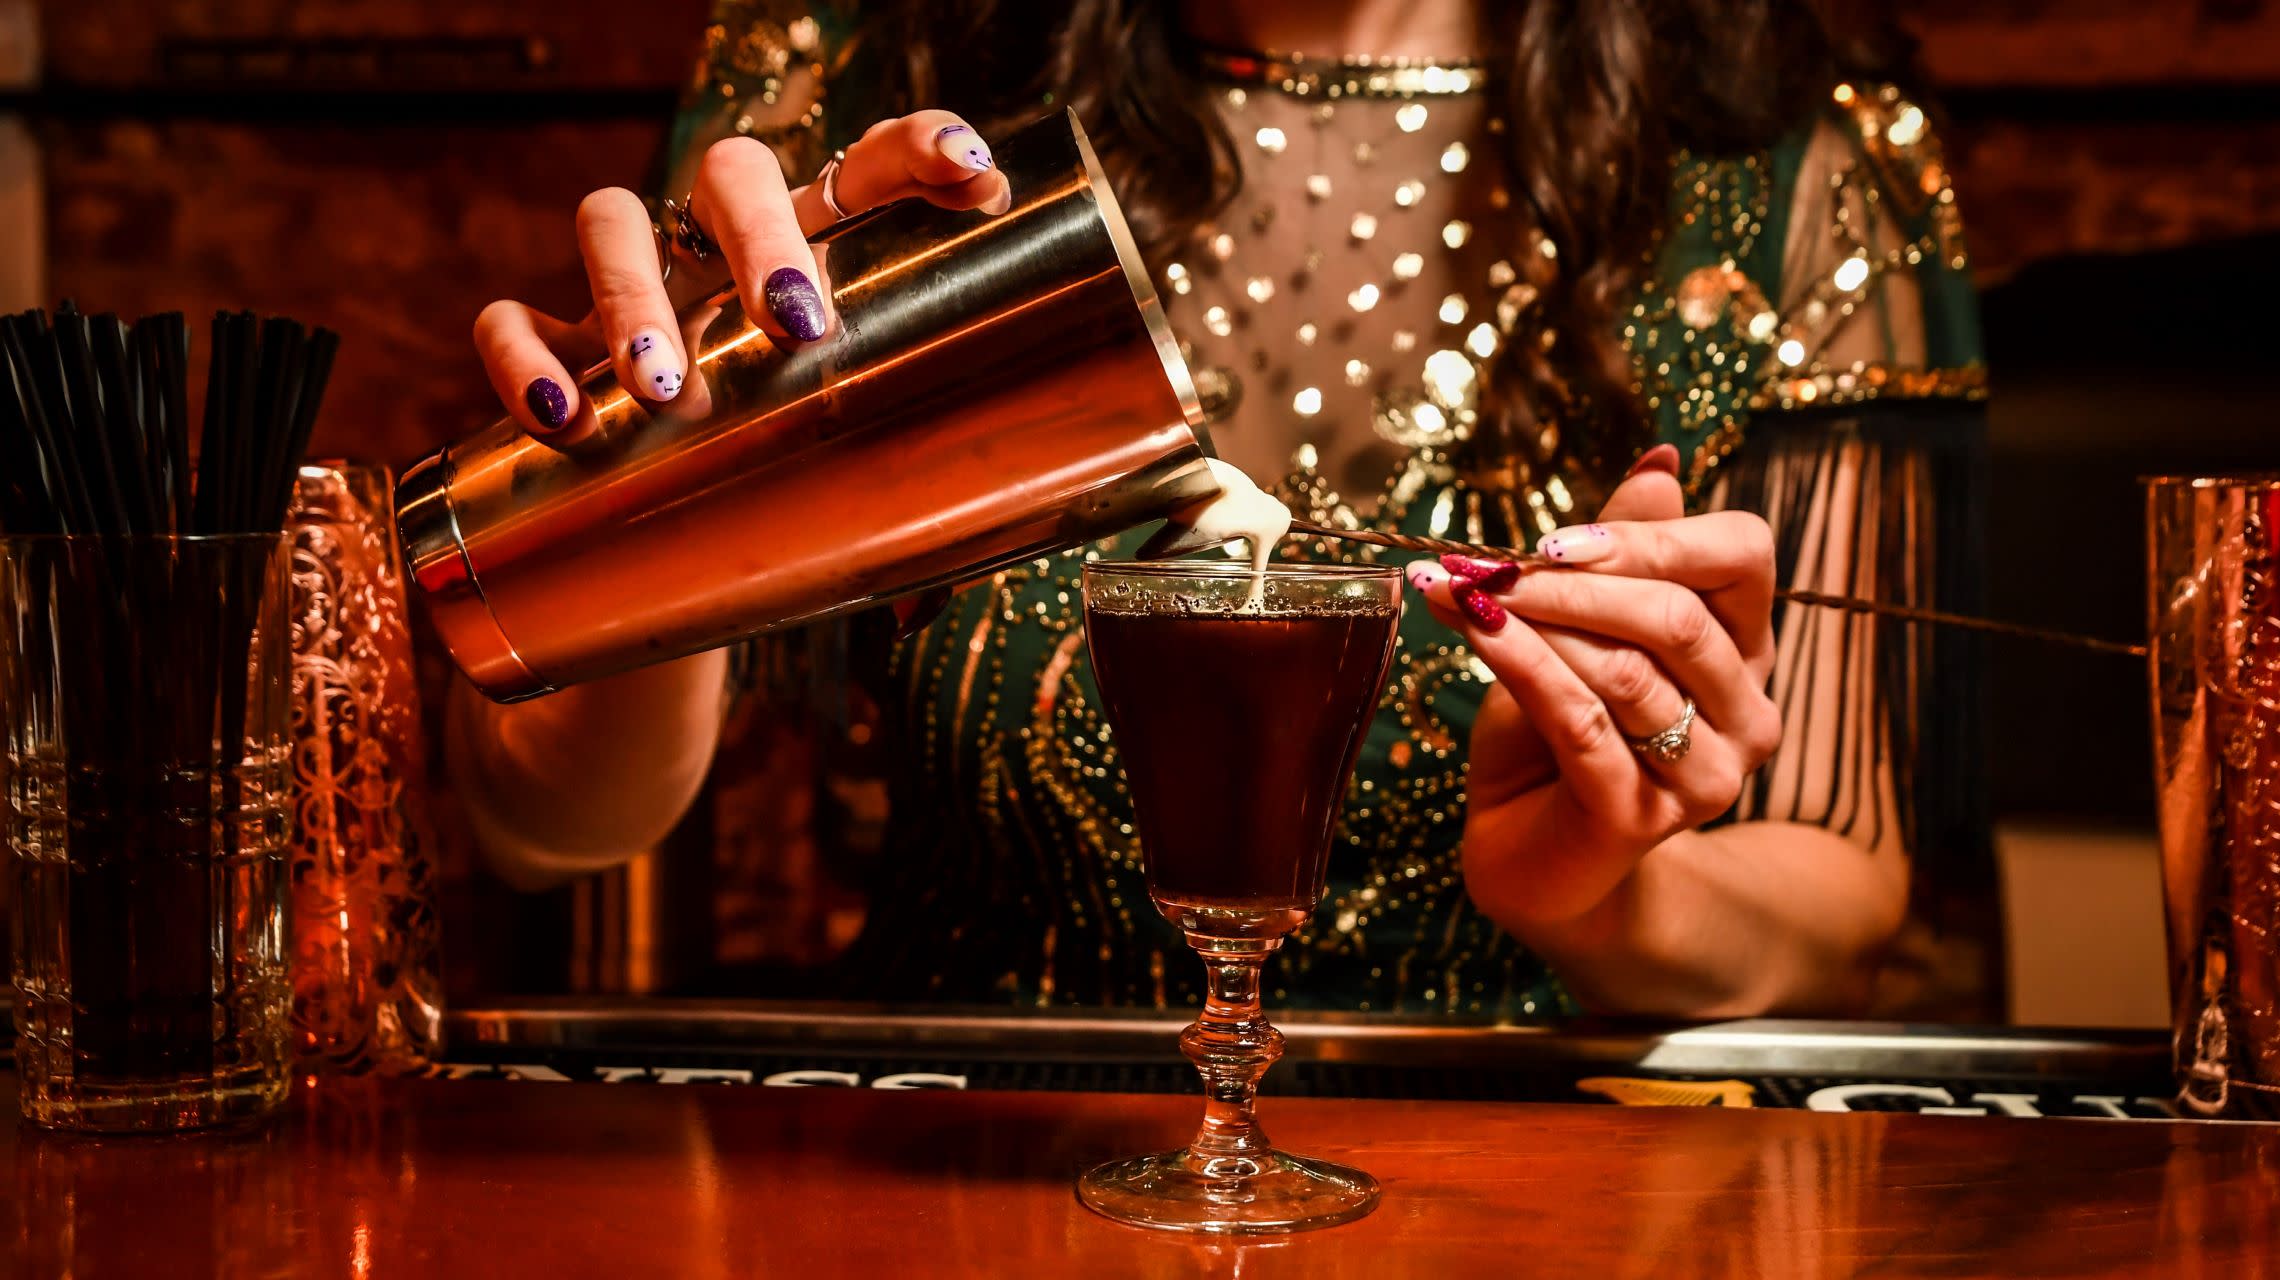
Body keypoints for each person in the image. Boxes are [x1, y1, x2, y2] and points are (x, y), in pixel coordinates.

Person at [451, 0, 1989, 1019]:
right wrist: (655, 508)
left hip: (1516, 1166)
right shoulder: (859, 79)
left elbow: (1841, 868)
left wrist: (1599, 893)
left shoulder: (1783, 163)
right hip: (951, 1170)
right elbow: (547, 829)